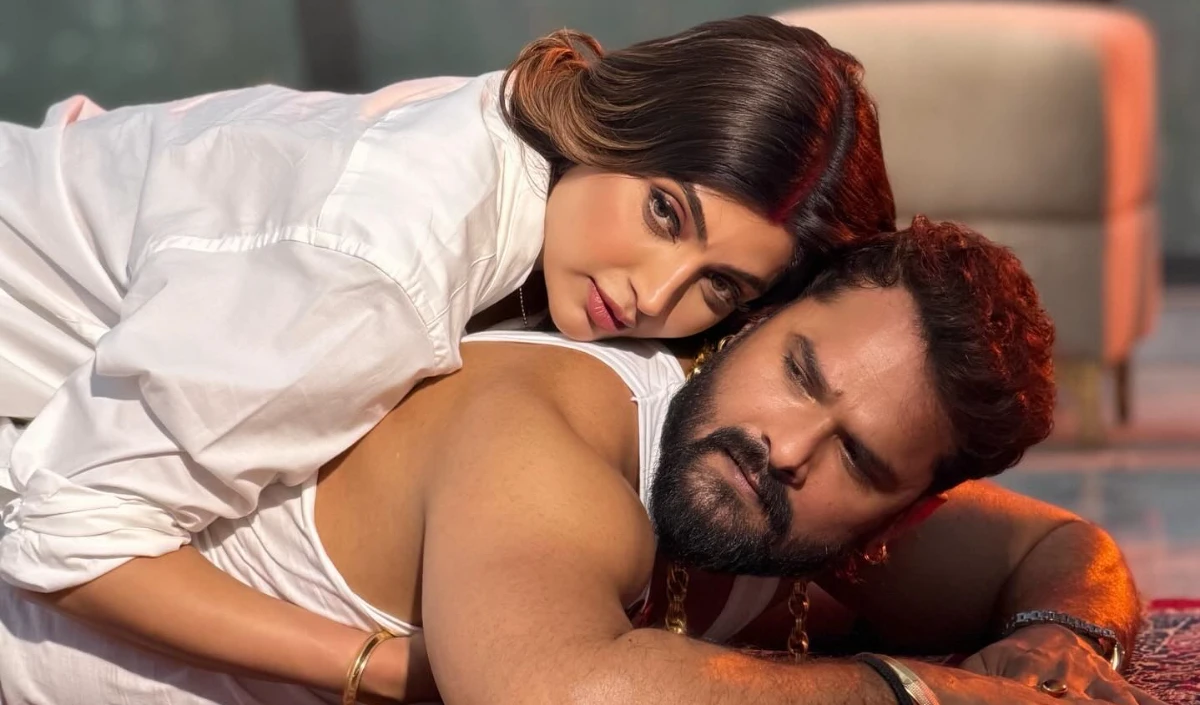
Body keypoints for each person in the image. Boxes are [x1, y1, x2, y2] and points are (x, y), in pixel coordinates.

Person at [0, 11, 893, 654]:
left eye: (719, 284)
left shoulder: (514, 142)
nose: (655, 294)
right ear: (627, 117)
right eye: (666, 213)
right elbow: (68, 538)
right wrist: (395, 672)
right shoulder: (385, 267)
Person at [1, 218, 1159, 705]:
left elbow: (1065, 547)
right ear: (752, 323)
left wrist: (1065, 638)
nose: (787, 447)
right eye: (800, 372)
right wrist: (914, 689)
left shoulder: (792, 513)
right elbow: (560, 693)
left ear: (902, 514)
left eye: (858, 456)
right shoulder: (558, 428)